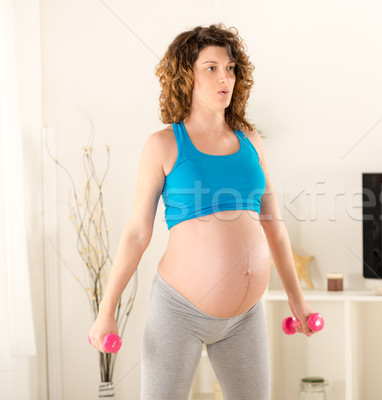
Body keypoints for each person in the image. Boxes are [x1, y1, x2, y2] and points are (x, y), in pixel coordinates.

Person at [88, 24, 314, 400]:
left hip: (246, 317)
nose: (224, 77)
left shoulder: (249, 140)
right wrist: (105, 309)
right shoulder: (163, 145)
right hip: (179, 312)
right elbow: (137, 233)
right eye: (211, 67)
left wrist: (297, 298)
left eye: (230, 68)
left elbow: (274, 226)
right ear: (185, 76)